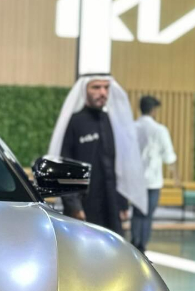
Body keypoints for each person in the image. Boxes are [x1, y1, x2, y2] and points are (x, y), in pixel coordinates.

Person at [48, 75, 148, 235]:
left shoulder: (112, 121)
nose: (103, 92)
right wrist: (74, 206)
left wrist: (122, 203)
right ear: (84, 90)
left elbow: (120, 165)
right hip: (83, 208)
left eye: (106, 87)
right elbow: (65, 167)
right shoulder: (75, 122)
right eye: (96, 87)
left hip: (111, 205)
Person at [131, 95, 178, 254]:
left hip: (135, 179)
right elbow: (169, 156)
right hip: (153, 180)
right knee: (147, 215)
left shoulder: (132, 128)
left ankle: (134, 244)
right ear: (153, 110)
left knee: (137, 213)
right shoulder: (160, 130)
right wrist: (175, 177)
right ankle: (142, 246)